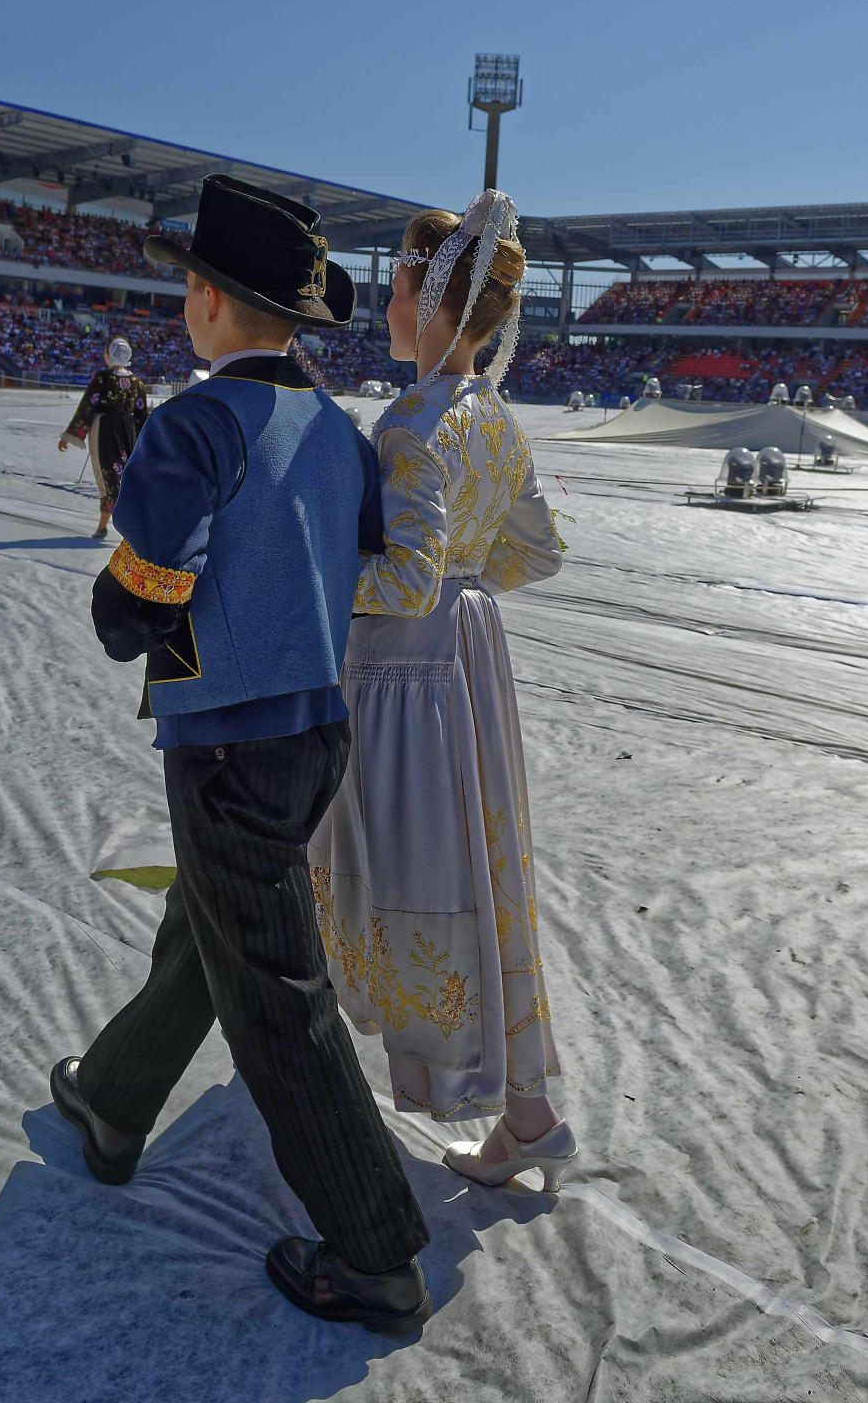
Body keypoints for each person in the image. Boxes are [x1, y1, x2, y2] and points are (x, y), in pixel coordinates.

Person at [49, 175, 431, 1334]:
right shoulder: (338, 431)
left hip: (228, 742)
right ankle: (112, 1100)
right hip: (316, 729)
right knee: (211, 925)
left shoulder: (196, 421)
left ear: (211, 301)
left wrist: (120, 617)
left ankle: (373, 1250)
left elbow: (150, 585)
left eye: (188, 289)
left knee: (276, 995)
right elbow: (358, 555)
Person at [308, 190, 577, 1193]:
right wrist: (471, 586)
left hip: (404, 676)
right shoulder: (496, 419)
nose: (385, 304)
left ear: (428, 303)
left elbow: (405, 578)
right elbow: (539, 552)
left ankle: (328, 1061)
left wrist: (316, 571)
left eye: (396, 288)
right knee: (483, 868)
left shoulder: (411, 423)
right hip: (470, 660)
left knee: (398, 870)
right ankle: (526, 1111)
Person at [58, 336, 149, 539]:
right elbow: (142, 414)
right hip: (128, 431)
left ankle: (103, 526)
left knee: (108, 475)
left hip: (106, 431)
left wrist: (70, 436)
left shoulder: (102, 379)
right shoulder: (137, 382)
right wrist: (144, 441)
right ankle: (129, 526)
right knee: (125, 476)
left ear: (109, 355)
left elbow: (87, 408)